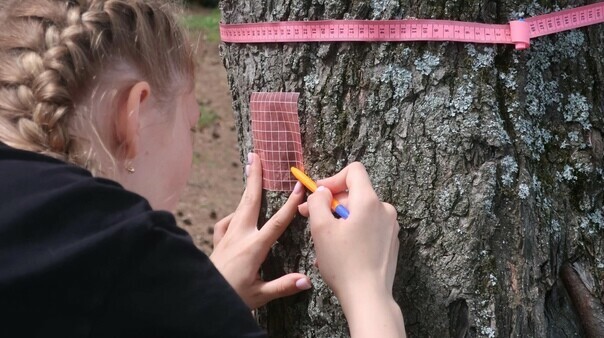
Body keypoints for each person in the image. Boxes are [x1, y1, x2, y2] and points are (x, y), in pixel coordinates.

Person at [0, 0, 405, 337]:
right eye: (192, 125)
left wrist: (199, 296)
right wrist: (367, 291)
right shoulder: (129, 252)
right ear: (134, 114)